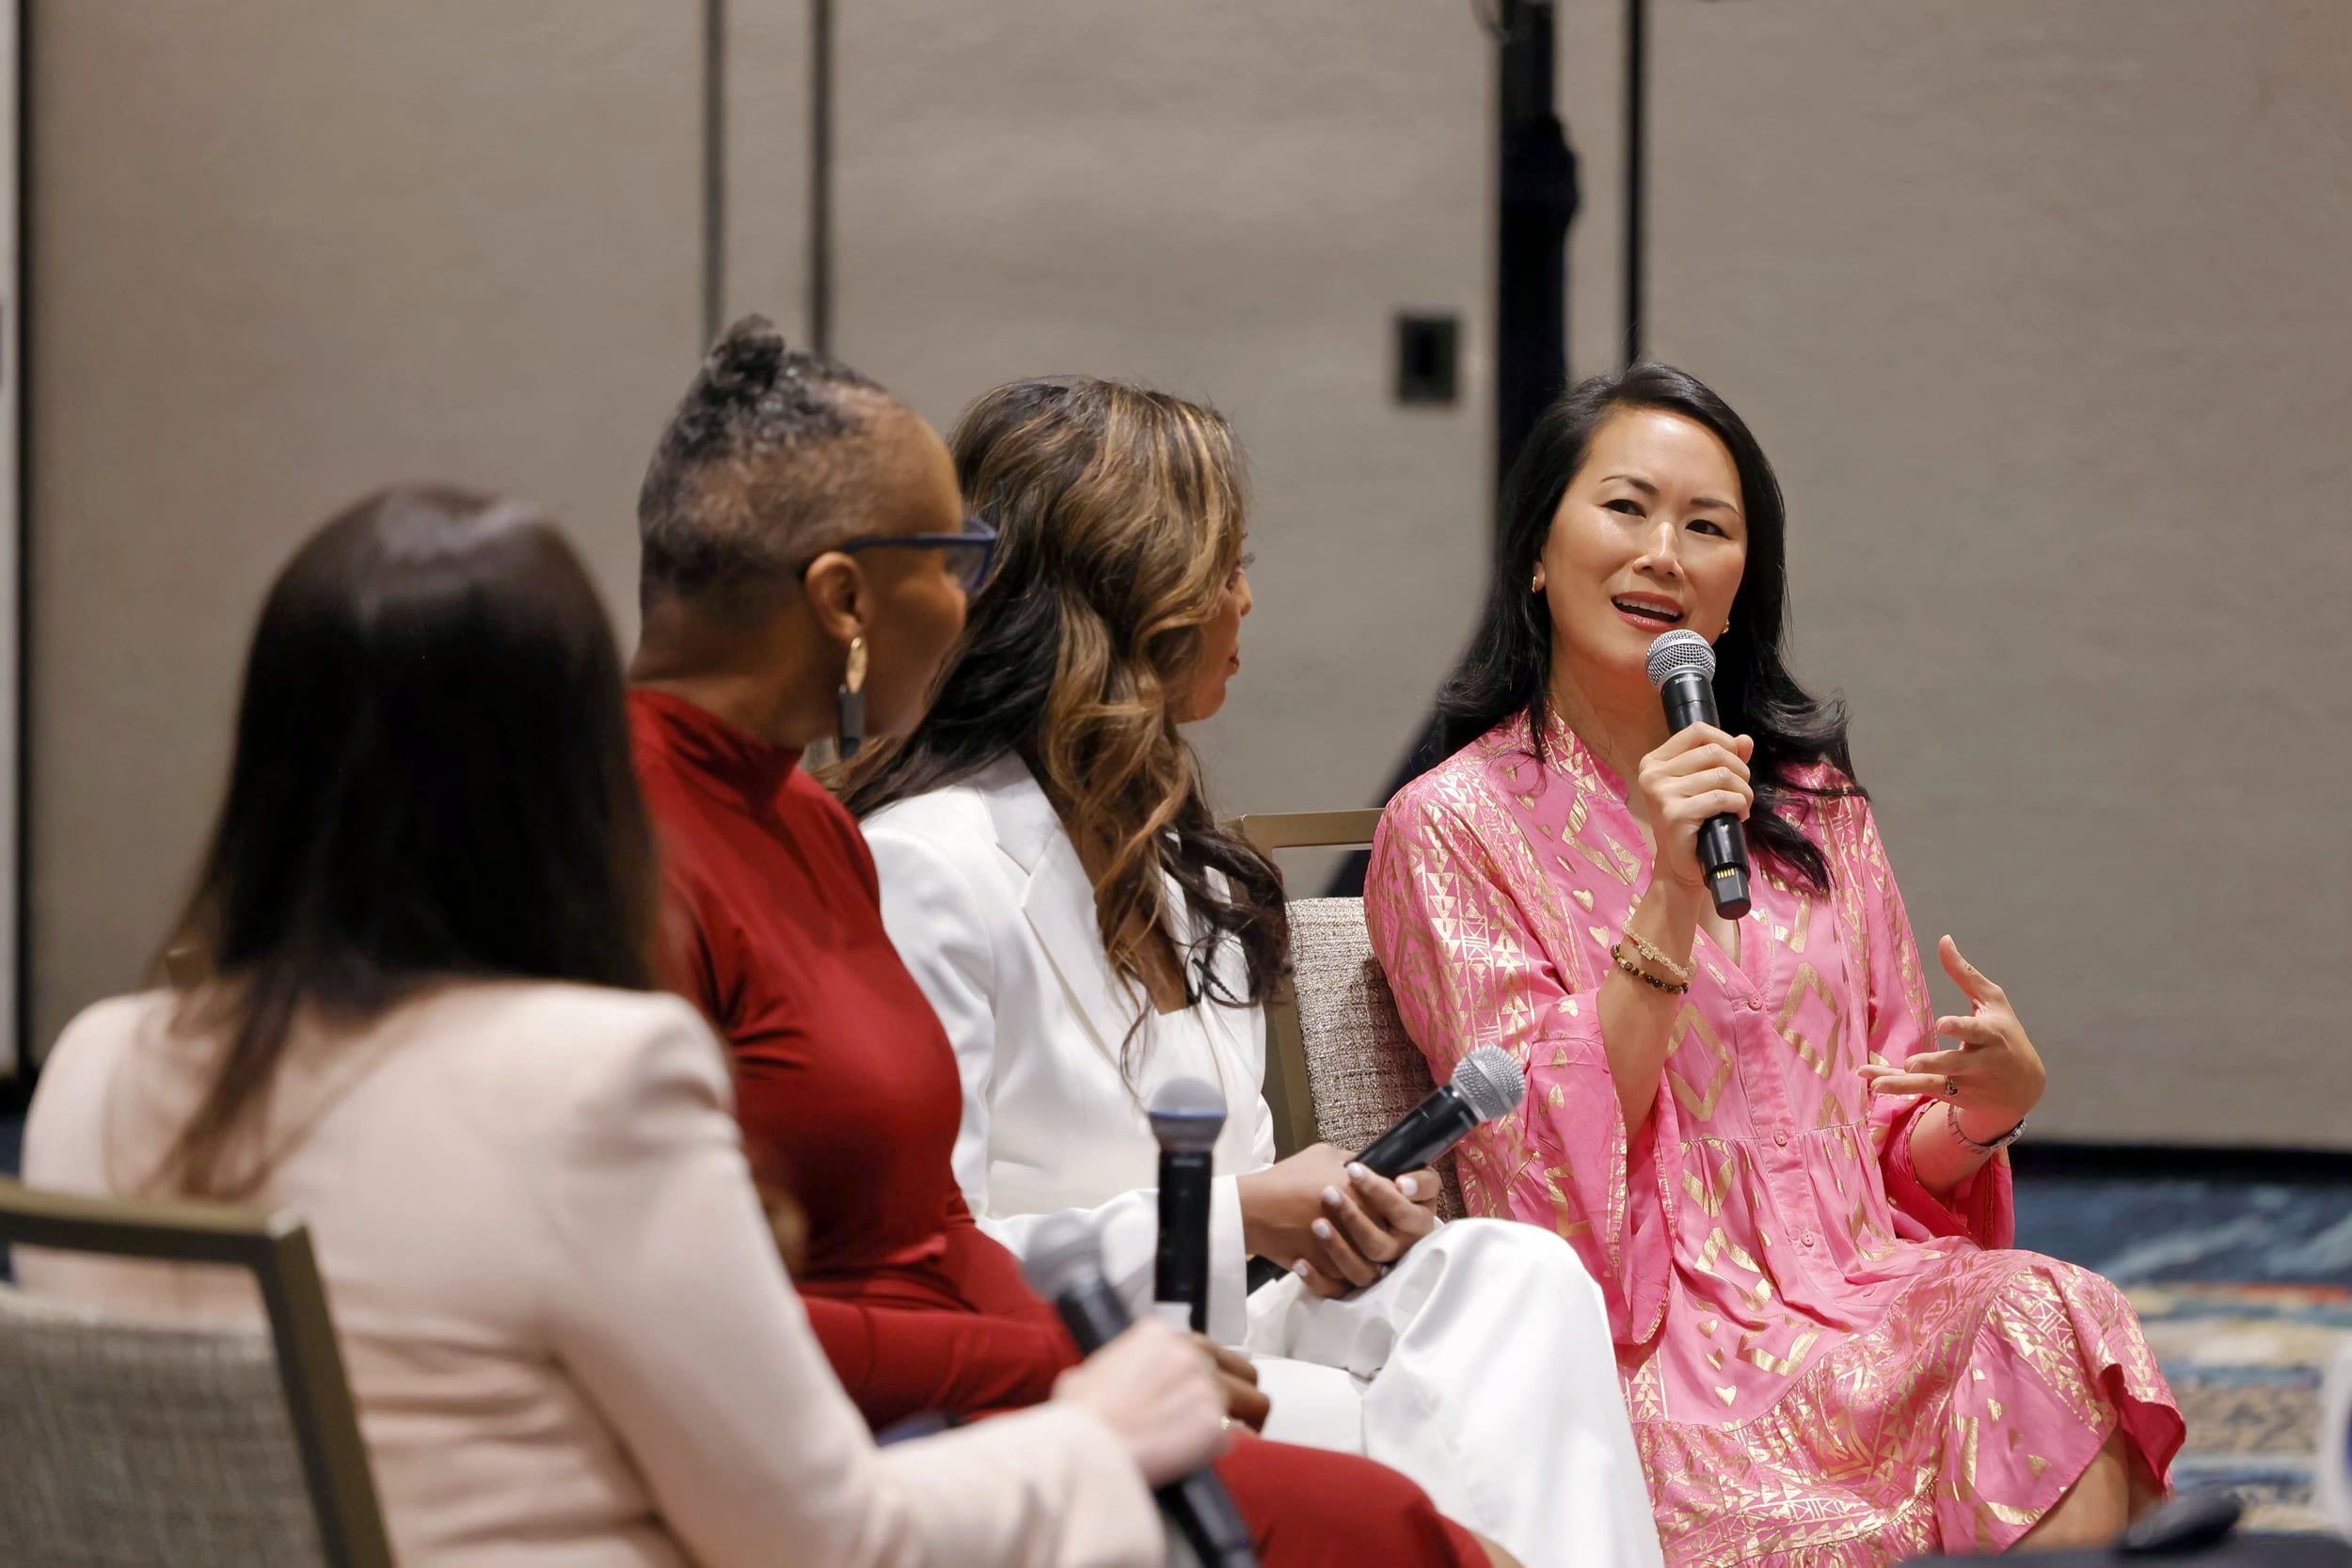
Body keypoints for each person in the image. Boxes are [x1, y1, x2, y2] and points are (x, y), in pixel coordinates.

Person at [18, 483, 1227, 1568]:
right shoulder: (593, 1079)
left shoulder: (93, 1061)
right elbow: (831, 1536)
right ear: (570, 765)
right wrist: (1087, 1430)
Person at [625, 317, 1510, 1568]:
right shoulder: (692, 849)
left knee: (1504, 1309)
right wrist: (1070, 1364)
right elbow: (738, 1304)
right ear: (843, 601)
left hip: (1023, 1365)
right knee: (1405, 1527)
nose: (974, 595)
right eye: (951, 555)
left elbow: (925, 1228)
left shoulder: (813, 834)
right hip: (890, 1432)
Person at [1361, 366, 2185, 1564]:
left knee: (2051, 1309)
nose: (1663, 554)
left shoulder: (1811, 804)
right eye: (1626, 509)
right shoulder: (1450, 825)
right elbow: (1534, 1170)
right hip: (1656, 1350)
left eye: (1707, 527)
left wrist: (1981, 1114)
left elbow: (1888, 1146)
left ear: (1740, 585)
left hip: (1862, 1298)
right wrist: (1667, 888)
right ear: (1536, 551)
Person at [843, 375, 1663, 1568]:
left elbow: (1244, 1195)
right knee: (1468, 1414)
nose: (1244, 598)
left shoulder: (1185, 873)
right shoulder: (925, 868)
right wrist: (1245, 1212)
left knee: (1513, 1273)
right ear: (1138, 593)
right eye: (1225, 563)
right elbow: (923, 1271)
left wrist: (1331, 1208)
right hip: (1062, 1375)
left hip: (1228, 1331)